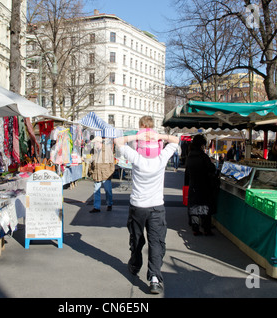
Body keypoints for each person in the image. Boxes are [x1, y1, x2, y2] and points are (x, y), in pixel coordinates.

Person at [114, 115, 179, 295]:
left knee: (136, 239)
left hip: (138, 206)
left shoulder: (136, 157)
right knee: (156, 242)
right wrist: (160, 137)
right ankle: (154, 279)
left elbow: (117, 141)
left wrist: (136, 137)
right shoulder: (162, 158)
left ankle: (135, 264)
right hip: (157, 207)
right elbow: (176, 140)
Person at [184, 134, 218, 236]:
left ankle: (195, 228)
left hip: (193, 185)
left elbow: (187, 172)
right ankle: (206, 228)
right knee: (204, 207)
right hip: (204, 185)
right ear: (201, 145)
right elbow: (211, 169)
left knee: (194, 207)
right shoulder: (203, 157)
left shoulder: (190, 156)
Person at [89, 136, 114, 213]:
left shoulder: (107, 149)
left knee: (108, 190)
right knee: (96, 190)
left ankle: (109, 204)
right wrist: (91, 172)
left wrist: (111, 173)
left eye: (95, 142)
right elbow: (91, 162)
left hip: (106, 174)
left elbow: (112, 162)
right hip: (97, 172)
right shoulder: (94, 151)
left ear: (99, 142)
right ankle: (96, 207)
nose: (94, 144)